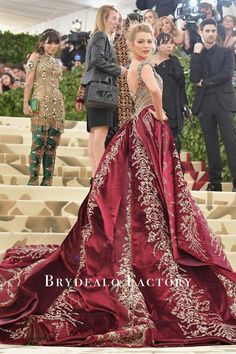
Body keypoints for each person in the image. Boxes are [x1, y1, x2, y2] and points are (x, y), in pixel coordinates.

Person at [0, 22, 236, 347]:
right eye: (141, 40)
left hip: (133, 129)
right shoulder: (148, 67)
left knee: (140, 190)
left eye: (149, 39)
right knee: (153, 188)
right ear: (133, 43)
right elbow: (154, 92)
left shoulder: (132, 68)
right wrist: (161, 115)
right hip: (148, 126)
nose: (146, 43)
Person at [78, 5, 127, 179]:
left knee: (95, 133)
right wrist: (118, 69)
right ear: (104, 18)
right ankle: (100, 175)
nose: (116, 22)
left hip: (95, 90)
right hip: (102, 91)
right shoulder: (101, 36)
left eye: (118, 18)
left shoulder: (98, 37)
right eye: (114, 18)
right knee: (100, 133)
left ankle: (95, 174)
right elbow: (97, 60)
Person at [190, 18, 236, 192]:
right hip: (205, 104)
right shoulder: (198, 54)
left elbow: (226, 74)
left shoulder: (226, 52)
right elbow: (194, 78)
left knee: (231, 142)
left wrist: (206, 82)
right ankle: (215, 183)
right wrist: (195, 53)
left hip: (223, 103)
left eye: (213, 31)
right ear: (201, 32)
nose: (210, 34)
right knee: (211, 144)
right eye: (207, 31)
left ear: (217, 33)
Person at [23, 29, 65, 186]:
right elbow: (28, 82)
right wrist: (25, 103)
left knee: (52, 144)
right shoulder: (35, 57)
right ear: (42, 43)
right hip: (39, 103)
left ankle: (47, 181)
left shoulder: (56, 61)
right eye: (49, 42)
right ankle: (33, 179)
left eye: (56, 42)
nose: (53, 46)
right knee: (38, 142)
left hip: (57, 105)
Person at [151, 32, 188, 154]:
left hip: (173, 104)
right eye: (165, 43)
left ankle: (174, 169)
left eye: (171, 43)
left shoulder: (175, 61)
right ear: (157, 45)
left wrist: (184, 105)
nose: (169, 46)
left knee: (173, 138)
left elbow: (181, 85)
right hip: (155, 103)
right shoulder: (149, 62)